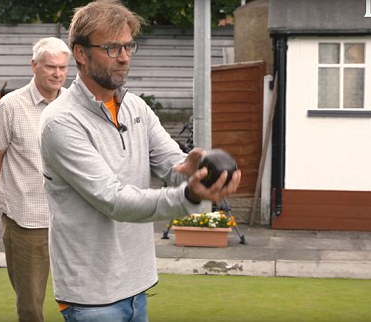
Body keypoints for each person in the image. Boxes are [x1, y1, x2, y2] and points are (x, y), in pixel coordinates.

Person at [37, 1, 241, 321]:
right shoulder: (60, 122)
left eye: (129, 45)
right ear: (80, 53)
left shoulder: (136, 108)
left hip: (137, 283)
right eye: (112, 47)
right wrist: (190, 197)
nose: (125, 56)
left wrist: (195, 172)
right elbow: (114, 200)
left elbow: (171, 164)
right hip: (92, 296)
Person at [0, 37, 71, 322]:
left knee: (81, 294)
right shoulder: (9, 107)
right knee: (31, 303)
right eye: (50, 67)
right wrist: (17, 192)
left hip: (71, 219)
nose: (57, 74)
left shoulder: (74, 105)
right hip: (27, 220)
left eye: (63, 68)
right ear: (34, 66)